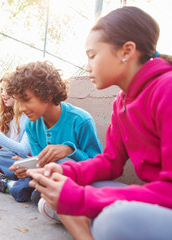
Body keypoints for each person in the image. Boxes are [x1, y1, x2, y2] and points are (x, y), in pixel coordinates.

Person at [27, 6, 172, 240]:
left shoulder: (166, 89)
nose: (87, 66)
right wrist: (65, 170)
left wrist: (82, 200)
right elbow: (111, 163)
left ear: (126, 51)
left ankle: (89, 230)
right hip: (157, 199)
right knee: (52, 196)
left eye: (92, 55)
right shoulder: (121, 103)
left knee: (112, 222)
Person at [2, 60, 102, 204]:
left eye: (26, 100)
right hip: (50, 177)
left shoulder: (81, 120)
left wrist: (69, 150)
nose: (22, 108)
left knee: (61, 163)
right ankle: (21, 186)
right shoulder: (31, 125)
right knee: (8, 162)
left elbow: (98, 166)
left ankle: (25, 188)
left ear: (47, 95)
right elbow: (41, 162)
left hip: (79, 178)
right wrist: (30, 168)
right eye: (18, 101)